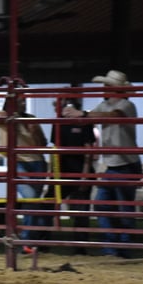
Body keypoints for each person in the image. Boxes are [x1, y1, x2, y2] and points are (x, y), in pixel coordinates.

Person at [62, 69, 142, 258]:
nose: (103, 88)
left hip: (124, 164)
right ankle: (113, 247)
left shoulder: (127, 105)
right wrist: (77, 116)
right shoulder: (105, 105)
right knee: (103, 205)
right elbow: (94, 117)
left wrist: (81, 114)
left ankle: (121, 249)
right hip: (115, 164)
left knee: (120, 208)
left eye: (107, 85)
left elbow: (113, 115)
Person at [0, 96, 50, 253]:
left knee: (33, 202)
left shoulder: (31, 119)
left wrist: (34, 132)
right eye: (20, 101)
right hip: (18, 162)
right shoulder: (5, 117)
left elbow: (43, 142)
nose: (24, 103)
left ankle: (29, 241)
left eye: (24, 101)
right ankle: (27, 240)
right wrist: (12, 116)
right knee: (31, 198)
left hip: (37, 162)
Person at [50, 97, 97, 255]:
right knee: (47, 205)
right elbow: (55, 149)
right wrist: (53, 174)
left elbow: (88, 150)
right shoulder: (58, 122)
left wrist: (84, 175)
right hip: (63, 172)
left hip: (79, 172)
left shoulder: (83, 122)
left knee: (80, 211)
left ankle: (80, 247)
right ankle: (40, 243)